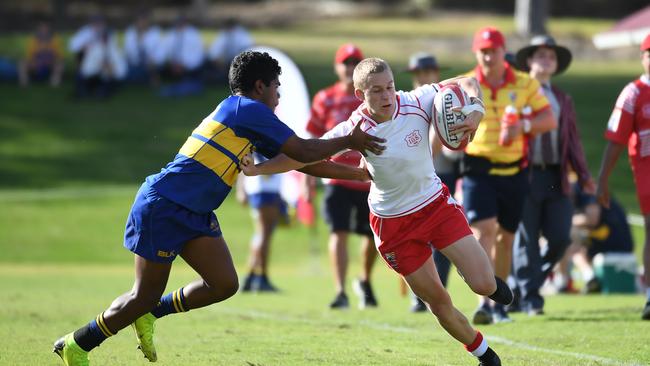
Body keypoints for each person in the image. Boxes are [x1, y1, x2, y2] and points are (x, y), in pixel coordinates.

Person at [52, 50, 385, 366]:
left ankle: (152, 313)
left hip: (194, 212)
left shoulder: (248, 116)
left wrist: (357, 173)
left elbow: (300, 160)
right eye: (276, 88)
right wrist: (349, 141)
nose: (279, 96)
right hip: (165, 205)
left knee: (223, 284)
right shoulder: (247, 110)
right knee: (143, 295)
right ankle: (77, 343)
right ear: (260, 86)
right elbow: (303, 148)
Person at [241, 57, 512, 366]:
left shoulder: (417, 100)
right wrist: (259, 169)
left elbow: (466, 82)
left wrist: (475, 109)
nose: (387, 96)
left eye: (390, 87)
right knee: (438, 302)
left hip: (435, 207)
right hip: (393, 226)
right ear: (360, 94)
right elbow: (302, 155)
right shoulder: (354, 128)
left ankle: (484, 281)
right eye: (377, 91)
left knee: (484, 285)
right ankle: (484, 353)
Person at [463, 26, 557, 324]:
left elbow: (549, 118)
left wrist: (524, 128)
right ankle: (483, 303)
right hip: (477, 167)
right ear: (477, 53)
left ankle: (498, 302)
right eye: (483, 51)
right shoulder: (466, 82)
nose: (489, 56)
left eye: (494, 50)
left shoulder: (524, 82)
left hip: (515, 170)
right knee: (484, 231)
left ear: (504, 52)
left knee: (506, 238)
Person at [510, 35, 595, 316]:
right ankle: (532, 298)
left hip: (557, 176)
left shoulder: (562, 98)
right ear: (530, 61)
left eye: (552, 56)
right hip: (525, 174)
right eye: (541, 54)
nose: (547, 59)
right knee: (527, 238)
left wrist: (584, 175)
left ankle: (528, 284)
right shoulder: (517, 92)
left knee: (560, 237)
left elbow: (573, 140)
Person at [305, 44, 378, 309]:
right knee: (339, 231)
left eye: (355, 62)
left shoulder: (369, 96)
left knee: (371, 236)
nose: (349, 68)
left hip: (367, 178)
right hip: (335, 177)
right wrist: (307, 179)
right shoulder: (325, 98)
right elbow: (311, 139)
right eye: (345, 63)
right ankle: (340, 291)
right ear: (337, 67)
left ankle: (365, 280)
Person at [596, 33, 650, 320]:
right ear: (642, 58)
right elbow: (616, 140)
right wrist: (603, 178)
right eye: (649, 53)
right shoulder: (633, 93)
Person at [405, 52, 459, 312]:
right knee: (415, 240)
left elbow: (453, 140)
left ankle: (438, 292)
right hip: (413, 179)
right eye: (420, 73)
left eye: (429, 72)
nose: (425, 77)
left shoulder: (445, 99)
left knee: (443, 240)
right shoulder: (404, 103)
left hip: (443, 174)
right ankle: (421, 295)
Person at [557, 183, 634, 294]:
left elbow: (592, 218)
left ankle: (580, 279)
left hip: (614, 238)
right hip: (611, 238)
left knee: (569, 237)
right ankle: (584, 278)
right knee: (573, 240)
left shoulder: (585, 189)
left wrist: (564, 221)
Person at [236, 152, 288, 292]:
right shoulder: (268, 132)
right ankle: (260, 278)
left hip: (263, 188)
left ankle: (251, 276)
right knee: (264, 235)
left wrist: (241, 188)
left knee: (261, 234)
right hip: (265, 188)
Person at [156, 15, 205, 97]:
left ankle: (185, 86)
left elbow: (198, 56)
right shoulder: (171, 34)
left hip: (189, 67)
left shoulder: (193, 35)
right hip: (174, 66)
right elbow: (163, 51)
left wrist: (184, 65)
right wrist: (172, 63)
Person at [76, 28, 127, 98]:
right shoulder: (95, 49)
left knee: (106, 79)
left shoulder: (116, 51)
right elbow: (86, 68)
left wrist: (110, 69)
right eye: (103, 37)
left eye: (106, 37)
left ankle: (100, 91)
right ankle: (86, 91)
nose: (104, 40)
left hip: (111, 78)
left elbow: (121, 72)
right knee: (80, 76)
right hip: (94, 76)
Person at [207, 17, 254, 84]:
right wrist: (216, 58)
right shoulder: (223, 34)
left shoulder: (243, 35)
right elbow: (214, 50)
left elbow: (247, 51)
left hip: (238, 63)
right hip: (224, 63)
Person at [18, 21, 64, 87]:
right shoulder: (33, 39)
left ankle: (54, 82)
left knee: (60, 63)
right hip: (36, 62)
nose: (43, 31)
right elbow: (29, 54)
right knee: (22, 62)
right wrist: (34, 61)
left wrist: (52, 59)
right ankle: (24, 82)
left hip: (50, 62)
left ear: (49, 30)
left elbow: (59, 54)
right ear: (38, 30)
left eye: (45, 29)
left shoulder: (54, 39)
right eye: (41, 29)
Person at [123, 11, 162, 85]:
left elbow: (160, 50)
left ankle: (151, 78)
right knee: (131, 74)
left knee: (152, 68)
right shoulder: (130, 33)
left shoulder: (155, 32)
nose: (142, 23)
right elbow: (128, 51)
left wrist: (154, 59)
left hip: (151, 64)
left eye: (144, 20)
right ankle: (148, 79)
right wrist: (138, 40)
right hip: (135, 63)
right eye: (140, 21)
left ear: (148, 22)